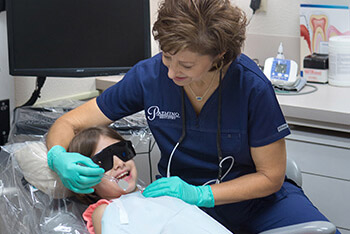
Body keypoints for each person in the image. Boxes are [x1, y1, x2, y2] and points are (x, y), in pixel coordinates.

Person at [46, 0, 339, 233]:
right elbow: (68, 123)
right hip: (177, 201)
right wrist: (58, 157)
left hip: (257, 203)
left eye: (185, 64)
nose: (171, 72)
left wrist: (201, 195)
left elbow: (270, 177)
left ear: (220, 56)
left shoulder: (250, 87)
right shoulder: (149, 77)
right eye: (166, 56)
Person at [67, 126, 232, 234]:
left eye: (122, 152)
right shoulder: (103, 211)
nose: (119, 164)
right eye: (104, 161)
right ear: (86, 179)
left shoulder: (155, 193)